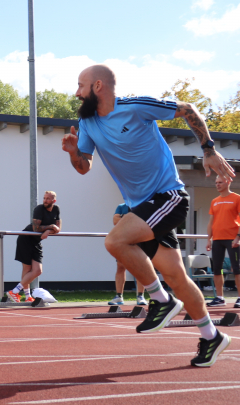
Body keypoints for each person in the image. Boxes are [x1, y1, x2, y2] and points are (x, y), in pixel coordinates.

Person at [62, 64, 236, 367]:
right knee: (177, 277)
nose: (77, 92)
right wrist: (74, 153)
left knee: (115, 241)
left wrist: (208, 149)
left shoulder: (136, 107)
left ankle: (160, 300)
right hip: (142, 206)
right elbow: (84, 167)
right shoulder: (87, 122)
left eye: (80, 85)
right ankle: (212, 336)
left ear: (98, 86)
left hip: (168, 197)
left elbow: (187, 108)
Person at [7, 191, 61, 303]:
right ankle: (23, 295)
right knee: (27, 269)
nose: (45, 200)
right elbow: (36, 228)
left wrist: (49, 231)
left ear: (54, 201)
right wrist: (51, 227)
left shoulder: (56, 209)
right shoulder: (38, 209)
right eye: (44, 198)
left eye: (48, 198)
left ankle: (18, 293)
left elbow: (58, 229)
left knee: (37, 270)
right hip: (26, 238)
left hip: (36, 241)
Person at [205, 174, 240, 308]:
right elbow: (211, 222)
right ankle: (220, 298)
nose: (217, 185)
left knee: (236, 269)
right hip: (217, 239)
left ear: (228, 182)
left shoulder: (237, 198)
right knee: (216, 269)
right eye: (216, 182)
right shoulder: (214, 201)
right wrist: (209, 239)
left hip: (232, 239)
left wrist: (238, 237)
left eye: (220, 182)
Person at [110, 202, 147, 306]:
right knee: (120, 267)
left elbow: (145, 222)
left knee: (140, 267)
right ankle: (119, 296)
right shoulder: (121, 206)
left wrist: (124, 218)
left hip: (139, 240)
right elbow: (115, 221)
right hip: (123, 240)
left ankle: (140, 296)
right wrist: (132, 220)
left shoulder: (143, 205)